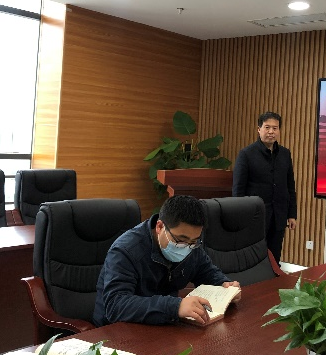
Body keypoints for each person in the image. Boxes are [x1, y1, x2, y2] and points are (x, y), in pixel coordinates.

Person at [93, 194, 240, 326]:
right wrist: (175, 307)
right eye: (180, 240)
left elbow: (206, 271)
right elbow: (116, 306)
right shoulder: (126, 250)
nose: (186, 247)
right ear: (160, 226)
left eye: (194, 241)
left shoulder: (191, 245)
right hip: (116, 332)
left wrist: (224, 286)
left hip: (163, 325)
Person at [232, 111, 297, 265]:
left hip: (279, 215)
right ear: (259, 129)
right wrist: (240, 216)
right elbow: (238, 189)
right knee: (254, 258)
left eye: (275, 128)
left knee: (274, 258)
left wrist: (292, 214)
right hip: (254, 217)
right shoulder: (246, 154)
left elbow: (290, 186)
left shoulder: (285, 154)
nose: (271, 132)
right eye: (267, 127)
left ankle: (273, 279)